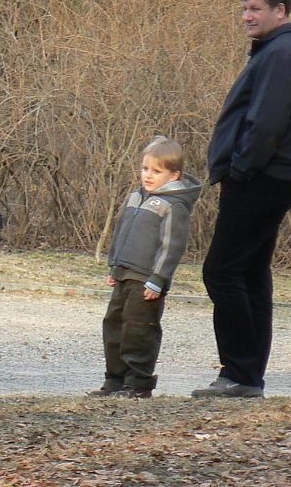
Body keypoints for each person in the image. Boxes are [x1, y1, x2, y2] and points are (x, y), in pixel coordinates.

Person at [192, 0, 291, 399]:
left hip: (261, 179)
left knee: (222, 271)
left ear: (280, 11)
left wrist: (241, 168)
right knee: (249, 274)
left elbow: (265, 124)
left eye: (255, 9)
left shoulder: (283, 55)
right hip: (268, 178)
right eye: (244, 9)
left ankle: (239, 374)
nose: (246, 16)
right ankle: (247, 377)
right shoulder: (277, 51)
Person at [89, 136, 201, 399]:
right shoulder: (134, 198)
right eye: (145, 169)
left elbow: (171, 246)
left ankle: (138, 383)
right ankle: (114, 380)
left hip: (147, 280)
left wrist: (158, 278)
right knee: (114, 326)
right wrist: (113, 266)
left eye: (157, 171)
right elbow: (120, 234)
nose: (148, 175)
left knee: (139, 330)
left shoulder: (174, 206)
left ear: (174, 175)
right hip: (124, 273)